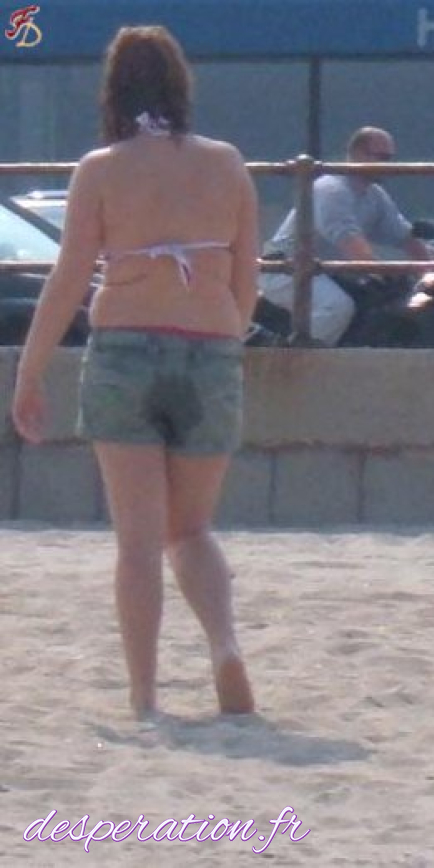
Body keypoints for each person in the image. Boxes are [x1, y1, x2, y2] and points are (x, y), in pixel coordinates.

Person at [12, 25, 258, 718]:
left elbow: (67, 280)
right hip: (208, 350)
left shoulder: (101, 169)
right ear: (180, 87)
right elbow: (247, 279)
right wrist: (223, 342)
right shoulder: (227, 164)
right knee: (193, 529)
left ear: (113, 91)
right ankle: (225, 646)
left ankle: (145, 693)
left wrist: (30, 371)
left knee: (139, 544)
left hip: (125, 351)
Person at [259, 126, 431, 345]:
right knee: (337, 306)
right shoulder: (331, 190)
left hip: (322, 271)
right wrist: (387, 272)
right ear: (357, 154)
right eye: (381, 157)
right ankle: (294, 358)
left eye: (390, 159)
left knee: (370, 300)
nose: (388, 165)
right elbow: (355, 249)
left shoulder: (374, 195)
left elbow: (405, 235)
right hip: (285, 268)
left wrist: (432, 270)